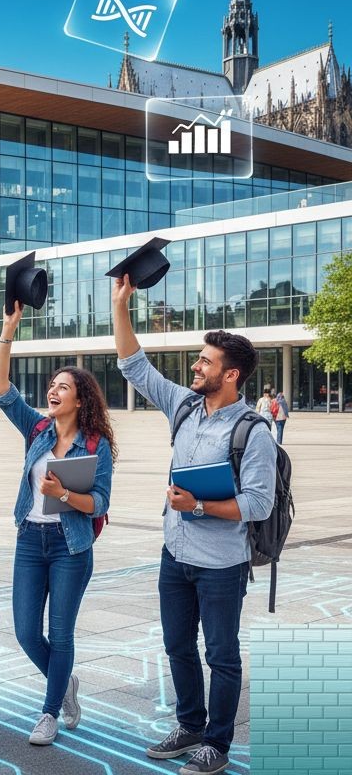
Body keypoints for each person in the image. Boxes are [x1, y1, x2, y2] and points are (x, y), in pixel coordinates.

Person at [113, 274, 275, 775]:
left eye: (205, 361)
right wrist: (122, 304)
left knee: (221, 655)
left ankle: (217, 745)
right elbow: (133, 366)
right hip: (174, 555)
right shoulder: (184, 406)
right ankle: (189, 725)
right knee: (177, 645)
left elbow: (259, 505)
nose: (195, 365)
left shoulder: (254, 432)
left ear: (231, 375)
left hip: (221, 564)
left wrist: (199, 508)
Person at [0, 302, 115, 745]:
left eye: (63, 387)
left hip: (70, 545)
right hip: (30, 539)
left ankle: (49, 711)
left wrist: (62, 494)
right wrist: (9, 329)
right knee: (27, 631)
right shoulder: (37, 428)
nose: (54, 391)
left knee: (60, 632)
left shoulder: (95, 444)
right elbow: (1, 385)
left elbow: (99, 502)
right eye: (52, 385)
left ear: (80, 399)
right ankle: (64, 684)